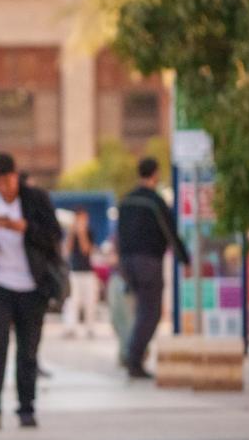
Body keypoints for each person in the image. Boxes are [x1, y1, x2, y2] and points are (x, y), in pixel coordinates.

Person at [0, 152, 61, 430]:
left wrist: (26, 228)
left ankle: (26, 408)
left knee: (28, 352)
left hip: (33, 288)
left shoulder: (36, 200)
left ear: (15, 176)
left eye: (7, 181)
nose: (3, 188)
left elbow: (54, 236)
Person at [116, 157, 190, 379]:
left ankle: (133, 354)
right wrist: (184, 260)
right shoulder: (154, 202)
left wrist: (122, 262)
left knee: (141, 310)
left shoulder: (126, 201)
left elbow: (120, 235)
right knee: (151, 312)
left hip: (128, 263)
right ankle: (134, 357)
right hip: (148, 262)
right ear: (155, 174)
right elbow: (169, 232)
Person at [62, 208, 100, 338]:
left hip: (88, 272)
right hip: (74, 271)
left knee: (90, 302)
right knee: (72, 301)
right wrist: (73, 233)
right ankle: (70, 327)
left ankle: (90, 327)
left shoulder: (89, 232)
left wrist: (82, 233)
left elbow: (86, 250)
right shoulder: (70, 232)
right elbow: (67, 250)